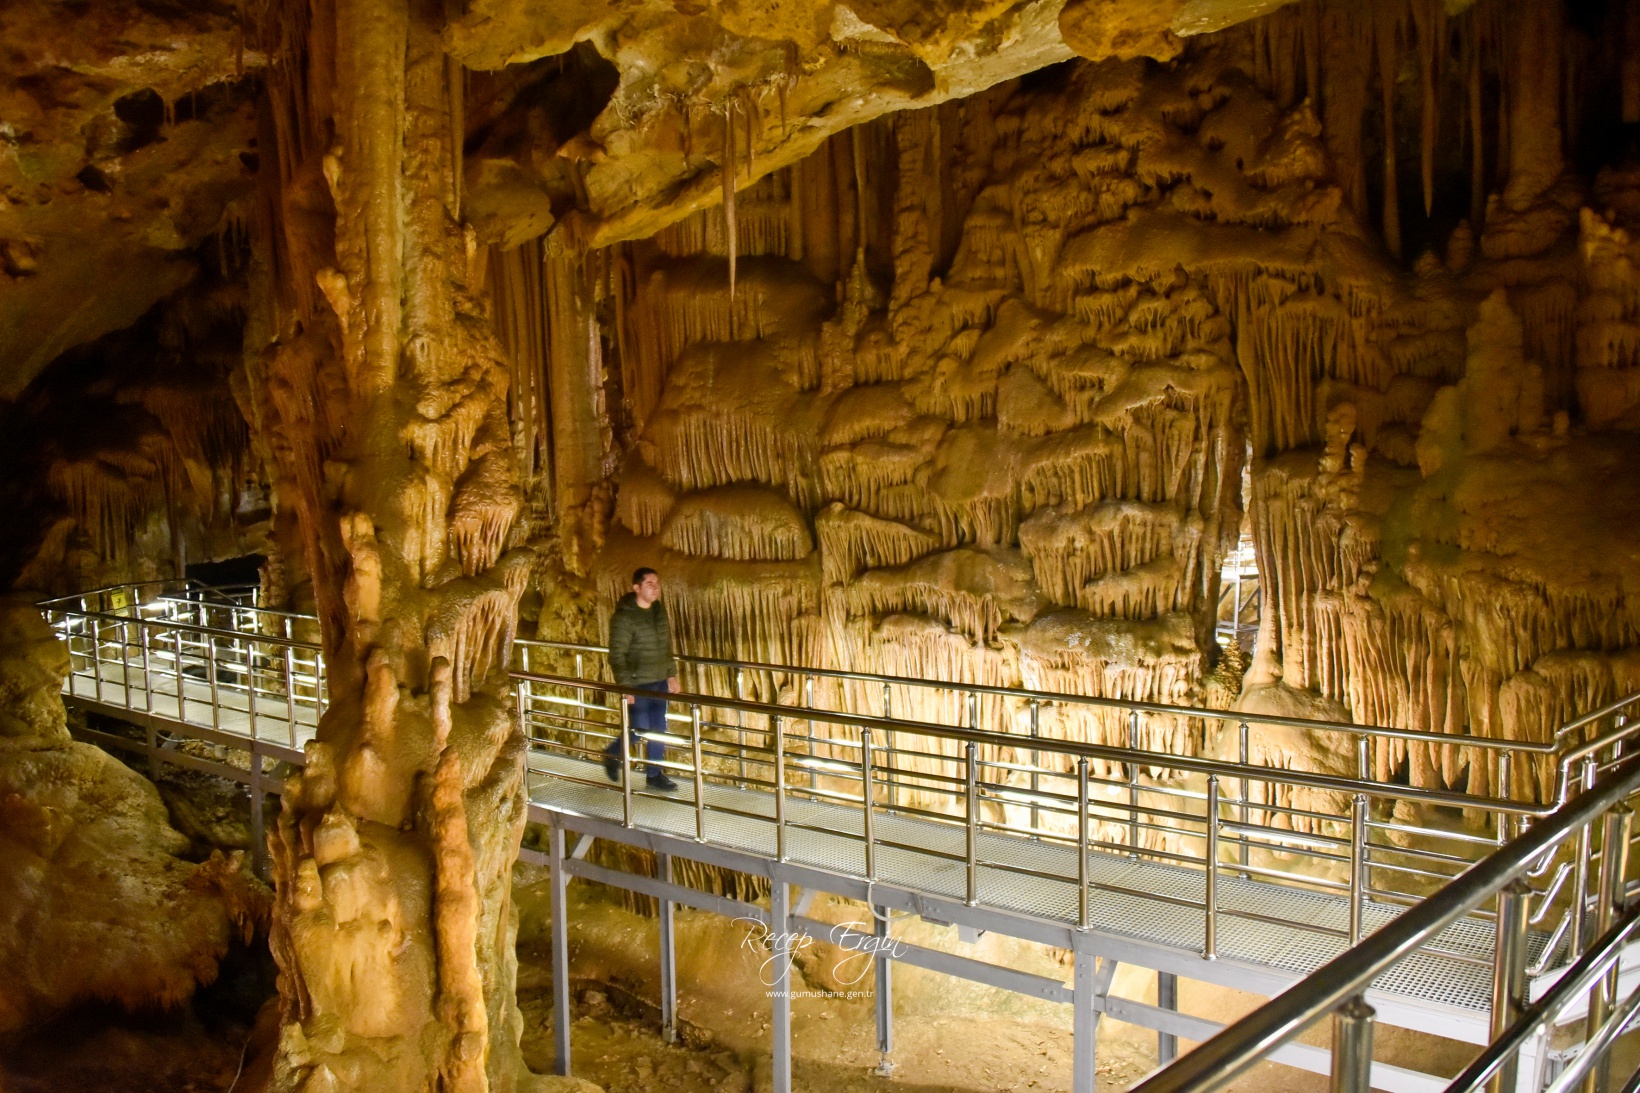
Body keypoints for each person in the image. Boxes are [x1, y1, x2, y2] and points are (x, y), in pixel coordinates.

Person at [603, 567, 680, 791]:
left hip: (659, 680)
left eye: (657, 583)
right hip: (638, 683)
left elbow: (665, 645)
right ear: (636, 588)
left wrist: (671, 674)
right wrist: (626, 687)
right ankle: (613, 753)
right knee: (639, 729)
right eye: (649, 584)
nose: (655, 588)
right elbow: (617, 655)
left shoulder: (658, 611)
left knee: (659, 728)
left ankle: (654, 774)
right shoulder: (624, 617)